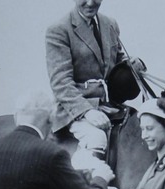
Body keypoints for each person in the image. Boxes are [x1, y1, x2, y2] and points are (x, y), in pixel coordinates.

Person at [45, 0, 145, 161]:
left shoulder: (109, 24)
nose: (90, 3)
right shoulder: (59, 30)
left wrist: (131, 63)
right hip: (73, 110)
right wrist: (86, 111)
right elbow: (60, 83)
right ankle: (87, 185)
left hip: (108, 105)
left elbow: (116, 61)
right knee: (96, 138)